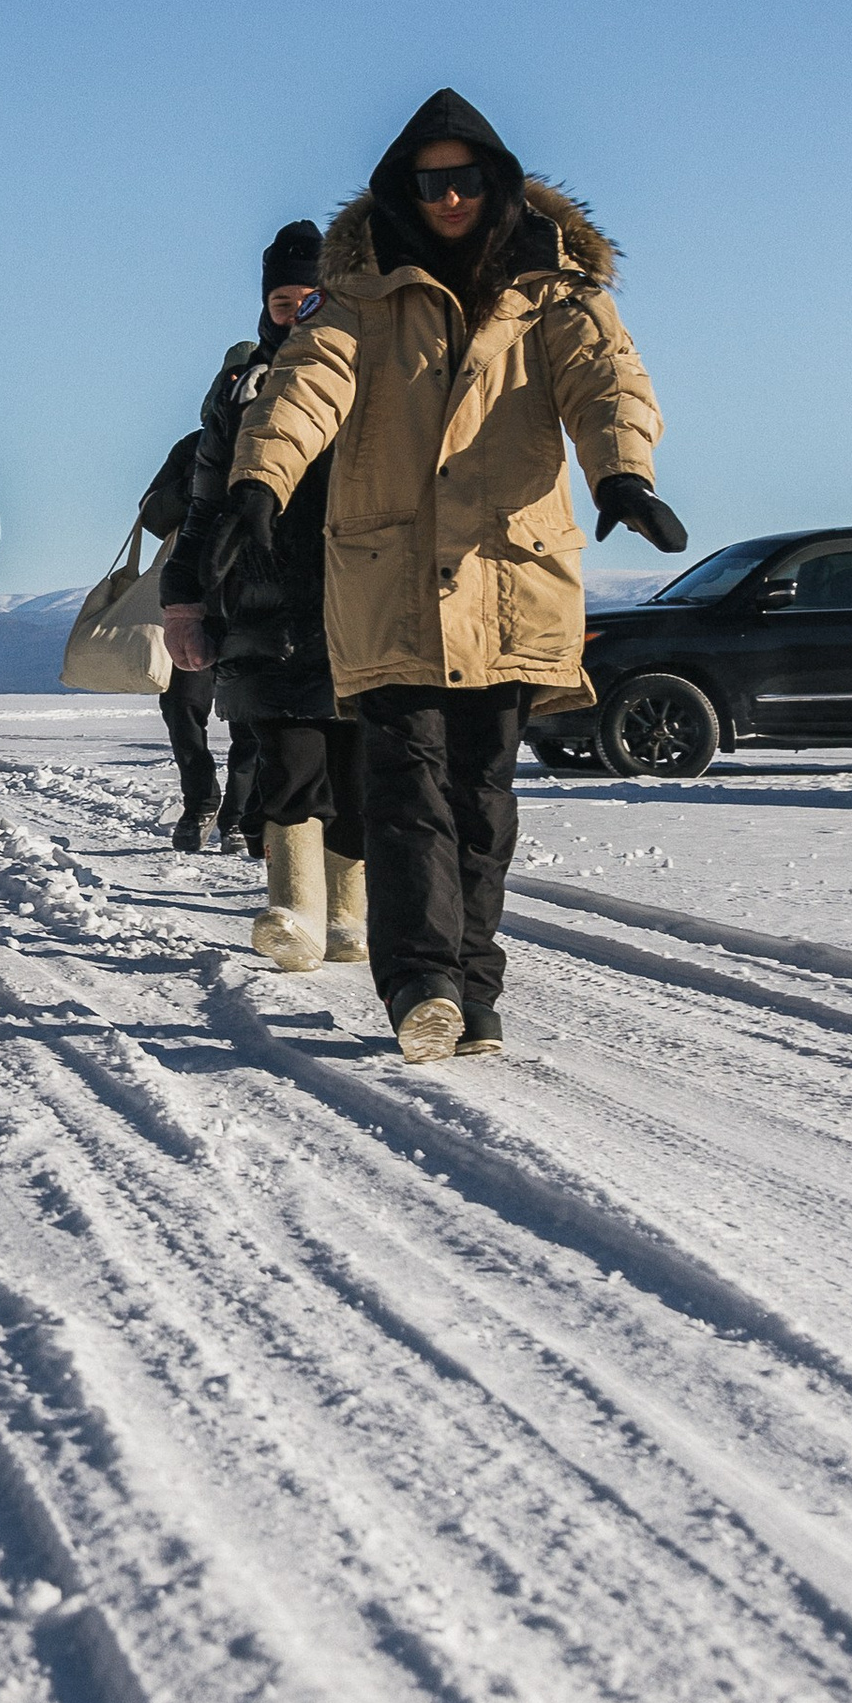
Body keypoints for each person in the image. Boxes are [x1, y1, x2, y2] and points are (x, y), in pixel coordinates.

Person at [218, 95, 682, 1065]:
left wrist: (623, 470)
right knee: (404, 791)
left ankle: (473, 986)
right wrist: (262, 476)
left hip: (506, 576)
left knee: (482, 799)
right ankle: (421, 982)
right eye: (431, 181)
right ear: (404, 187)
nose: (451, 196)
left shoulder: (551, 289)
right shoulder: (361, 291)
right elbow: (308, 381)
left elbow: (606, 383)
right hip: (389, 582)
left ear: (496, 179)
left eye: (465, 177)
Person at [166, 223, 365, 966]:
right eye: (282, 299)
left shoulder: (367, 376)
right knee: (289, 754)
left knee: (356, 762)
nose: (294, 312)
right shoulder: (238, 387)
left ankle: (348, 917)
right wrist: (184, 595)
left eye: (309, 297)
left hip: (358, 596)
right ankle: (294, 908)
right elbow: (203, 501)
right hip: (263, 600)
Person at [137, 430, 262, 853]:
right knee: (182, 706)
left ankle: (239, 817)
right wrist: (196, 484)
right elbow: (152, 514)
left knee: (254, 716)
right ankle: (200, 803)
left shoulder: (285, 434)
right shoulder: (196, 445)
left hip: (258, 597)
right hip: (193, 599)